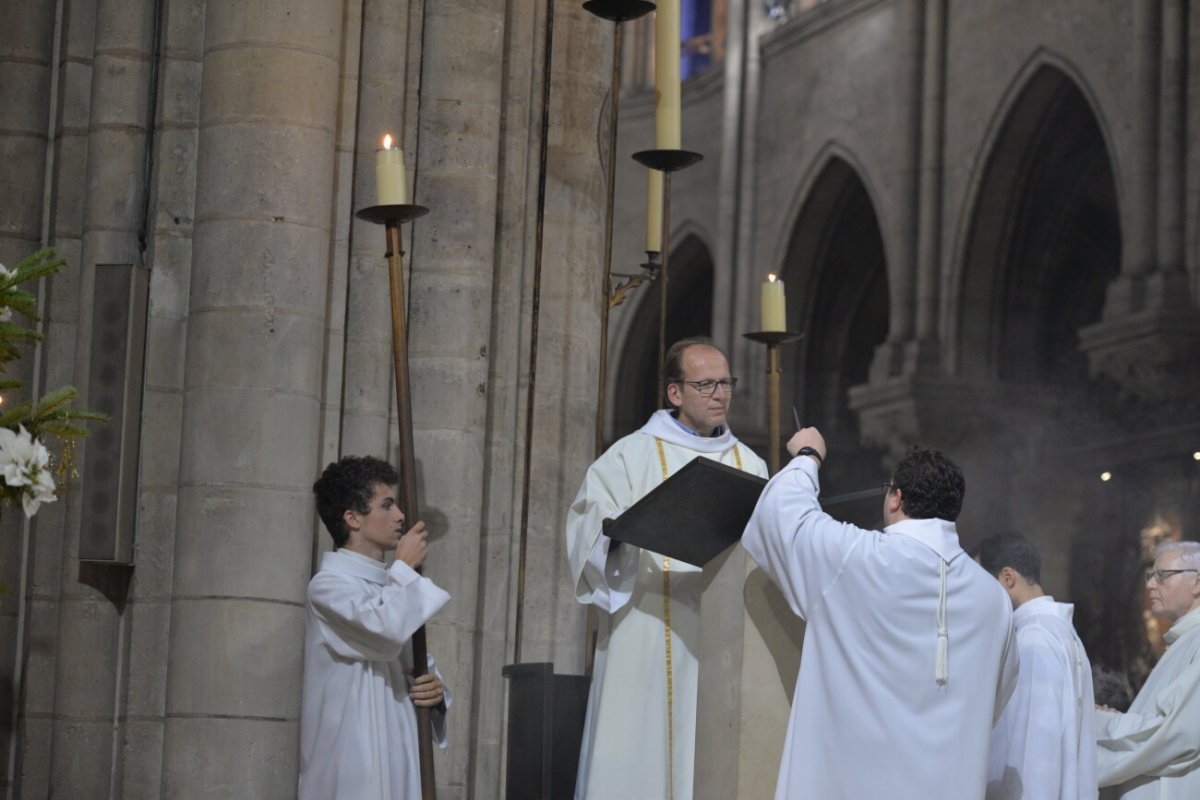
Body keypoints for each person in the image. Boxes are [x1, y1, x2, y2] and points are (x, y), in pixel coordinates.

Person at [742, 430, 1018, 800]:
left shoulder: (856, 559)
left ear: (895, 498)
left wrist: (808, 456)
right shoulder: (993, 599)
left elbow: (780, 515)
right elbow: (996, 696)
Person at [565, 337, 768, 800]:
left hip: (725, 639)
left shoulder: (750, 464)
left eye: (726, 382)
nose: (720, 393)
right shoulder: (629, 456)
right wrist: (618, 535)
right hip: (647, 627)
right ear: (675, 393)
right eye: (706, 384)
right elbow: (586, 527)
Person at [299, 455, 451, 800]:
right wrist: (405, 570)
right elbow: (383, 632)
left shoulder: (391, 587)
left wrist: (434, 691)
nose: (400, 516)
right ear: (352, 518)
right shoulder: (328, 587)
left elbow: (411, 663)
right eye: (387, 505)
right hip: (353, 758)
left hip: (398, 747)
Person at [976, 532, 1097, 800]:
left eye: (981, 584)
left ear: (1007, 578)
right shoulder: (1060, 632)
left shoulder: (1034, 639)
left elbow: (1036, 753)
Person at [1095, 540, 1200, 799]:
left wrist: (1101, 722)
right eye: (1150, 576)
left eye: (1162, 576)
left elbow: (1177, 734)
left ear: (1198, 581)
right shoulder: (1184, 640)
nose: (1150, 585)